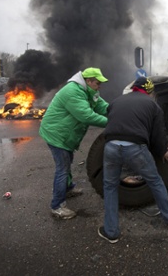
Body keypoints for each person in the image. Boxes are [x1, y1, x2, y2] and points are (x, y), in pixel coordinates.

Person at [98, 77, 168, 243]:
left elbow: (113, 120)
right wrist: (162, 151)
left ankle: (111, 232)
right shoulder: (152, 105)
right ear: (150, 91)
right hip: (135, 147)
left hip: (111, 146)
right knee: (155, 181)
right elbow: (158, 133)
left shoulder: (116, 101)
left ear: (134, 88)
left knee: (110, 186)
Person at [40, 67, 109, 220]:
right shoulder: (73, 92)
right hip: (57, 134)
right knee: (62, 169)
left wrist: (117, 111)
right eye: (97, 83)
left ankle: (68, 188)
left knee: (67, 161)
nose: (99, 86)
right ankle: (57, 206)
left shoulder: (89, 91)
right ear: (88, 81)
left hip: (66, 135)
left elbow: (102, 106)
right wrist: (112, 123)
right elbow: (86, 116)